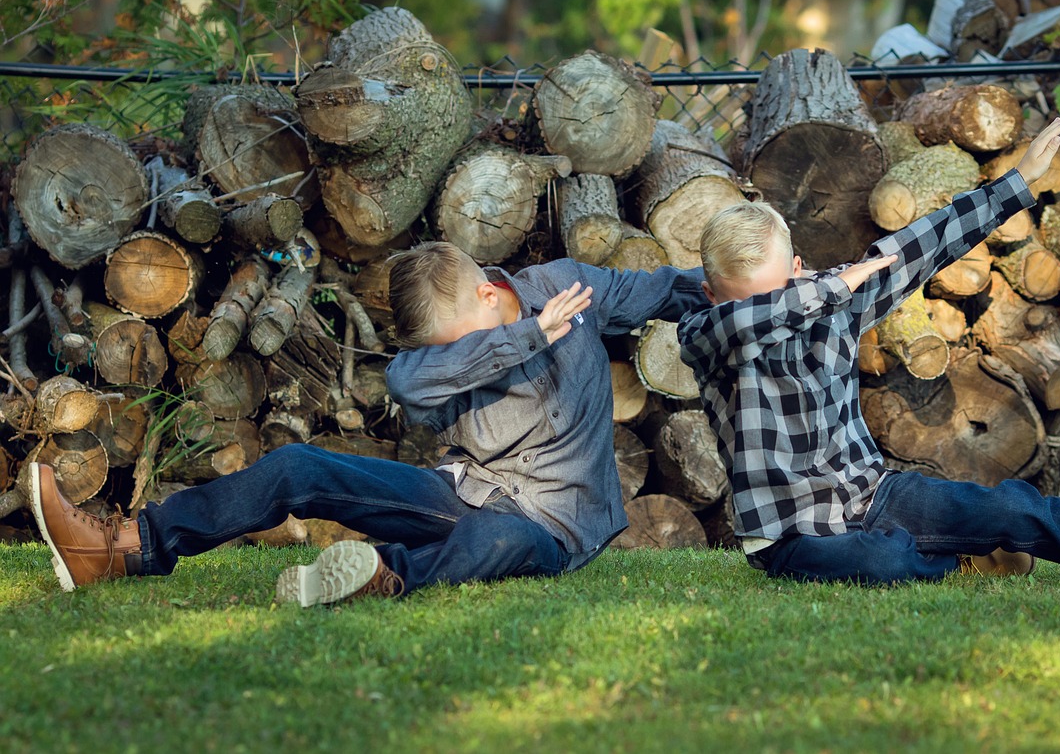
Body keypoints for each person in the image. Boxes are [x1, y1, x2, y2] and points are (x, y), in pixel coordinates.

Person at [677, 115, 1060, 587]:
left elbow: (919, 245)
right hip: (792, 534)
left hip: (873, 493)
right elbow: (752, 321)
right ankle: (959, 563)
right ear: (711, 295)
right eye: (746, 297)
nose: (778, 302)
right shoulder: (707, 331)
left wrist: (1015, 185)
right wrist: (833, 286)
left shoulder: (831, 298)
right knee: (881, 561)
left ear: (798, 267)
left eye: (785, 284)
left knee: (1020, 511)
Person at [29, 243, 708, 605]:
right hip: (463, 491)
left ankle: (377, 575)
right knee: (298, 466)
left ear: (487, 291)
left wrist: (749, 288)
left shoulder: (569, 287)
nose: (458, 362)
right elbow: (413, 380)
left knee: (495, 537)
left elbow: (665, 287)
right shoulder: (458, 351)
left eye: (458, 342)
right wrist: (525, 337)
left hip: (553, 524)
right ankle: (126, 546)